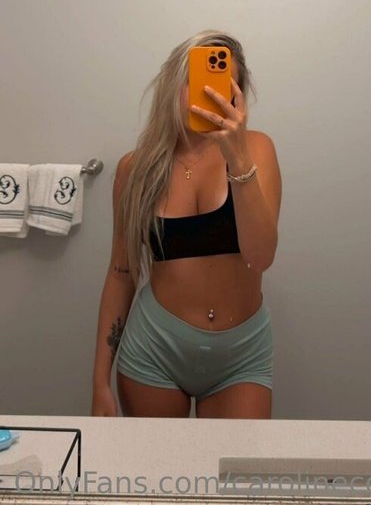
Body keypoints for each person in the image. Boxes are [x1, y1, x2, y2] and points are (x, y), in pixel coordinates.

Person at [91, 30, 282, 419]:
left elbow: (260, 256)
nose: (208, 92)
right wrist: (99, 384)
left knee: (235, 460)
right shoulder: (135, 169)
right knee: (155, 461)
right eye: (195, 80)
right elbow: (121, 273)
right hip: (154, 351)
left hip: (240, 356)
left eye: (221, 83)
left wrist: (238, 159)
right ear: (172, 84)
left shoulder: (256, 149)